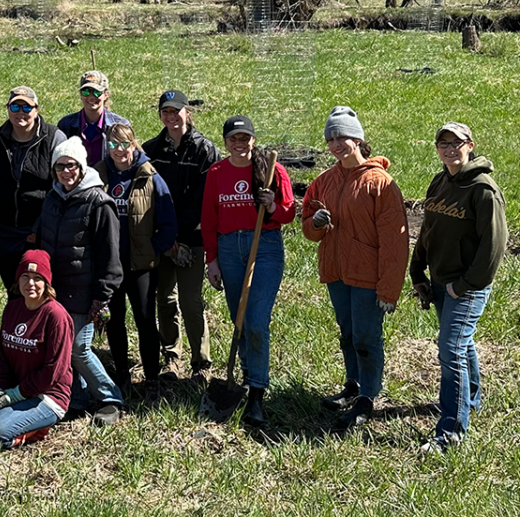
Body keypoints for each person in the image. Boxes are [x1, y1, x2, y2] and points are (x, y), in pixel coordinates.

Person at [302, 107, 409, 431]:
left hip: (367, 276)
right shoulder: (323, 182)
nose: (336, 143)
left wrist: (389, 291)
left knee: (366, 337)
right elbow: (308, 225)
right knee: (348, 333)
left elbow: (396, 243)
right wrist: (315, 223)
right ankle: (353, 385)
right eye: (331, 138)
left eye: (342, 136)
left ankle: (368, 397)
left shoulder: (381, 184)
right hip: (336, 272)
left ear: (358, 139)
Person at [410, 122, 507, 453]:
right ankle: (472, 399)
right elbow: (429, 228)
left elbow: (494, 247)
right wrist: (417, 270)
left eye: (456, 143)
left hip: (466, 285)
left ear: (470, 145)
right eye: (443, 144)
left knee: (450, 349)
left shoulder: (483, 190)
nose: (449, 149)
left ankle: (451, 431)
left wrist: (464, 286)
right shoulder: (440, 181)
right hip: (440, 279)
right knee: (461, 346)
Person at [201, 115, 295, 427]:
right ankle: (245, 373)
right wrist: (211, 260)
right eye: (233, 139)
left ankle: (257, 391)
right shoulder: (217, 172)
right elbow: (209, 219)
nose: (239, 145)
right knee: (238, 318)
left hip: (264, 245)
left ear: (253, 140)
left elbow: (289, 212)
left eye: (245, 139)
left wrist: (271, 206)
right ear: (225, 142)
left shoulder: (270, 169)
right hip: (229, 249)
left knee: (255, 320)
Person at [35, 136, 124, 426]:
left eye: (71, 165)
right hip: (55, 289)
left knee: (79, 350)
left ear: (82, 167)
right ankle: (78, 398)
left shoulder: (99, 202)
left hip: (84, 291)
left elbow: (110, 255)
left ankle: (111, 398)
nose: (66, 172)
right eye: (60, 166)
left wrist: (102, 296)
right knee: (63, 348)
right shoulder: (53, 198)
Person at [0, 250, 74, 449]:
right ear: (17, 281)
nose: (31, 283)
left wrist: (16, 394)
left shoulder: (56, 316)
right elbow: (1, 354)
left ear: (47, 283)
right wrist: (0, 387)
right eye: (25, 277)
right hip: (16, 382)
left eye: (38, 278)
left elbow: (53, 372)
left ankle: (35, 428)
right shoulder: (13, 308)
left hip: (47, 395)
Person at [141, 90, 221, 383]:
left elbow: (204, 200)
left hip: (193, 238)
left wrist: (181, 239)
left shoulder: (204, 150)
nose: (171, 117)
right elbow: (147, 197)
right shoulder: (151, 150)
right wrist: (167, 239)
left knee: (190, 300)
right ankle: (171, 359)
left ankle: (201, 363)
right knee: (165, 299)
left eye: (177, 111)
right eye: (166, 112)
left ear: (188, 112)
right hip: (162, 239)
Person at [96, 123, 178, 399]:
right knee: (115, 320)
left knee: (145, 320)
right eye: (113, 145)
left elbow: (169, 225)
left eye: (124, 144)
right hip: (110, 265)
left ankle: (152, 378)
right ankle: (121, 374)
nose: (119, 150)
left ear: (134, 144)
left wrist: (152, 250)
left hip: (141, 265)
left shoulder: (150, 176)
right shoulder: (98, 174)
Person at [0, 86, 66, 291]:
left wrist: (40, 227)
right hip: (3, 231)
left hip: (39, 232)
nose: (20, 112)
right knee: (13, 290)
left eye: (26, 107)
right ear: (8, 109)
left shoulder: (54, 138)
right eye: (15, 106)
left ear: (36, 110)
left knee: (40, 292)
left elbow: (61, 190)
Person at [57, 70, 130, 166]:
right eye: (86, 92)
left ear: (106, 95)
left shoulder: (120, 125)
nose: (91, 97)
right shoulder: (66, 124)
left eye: (97, 92)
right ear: (80, 95)